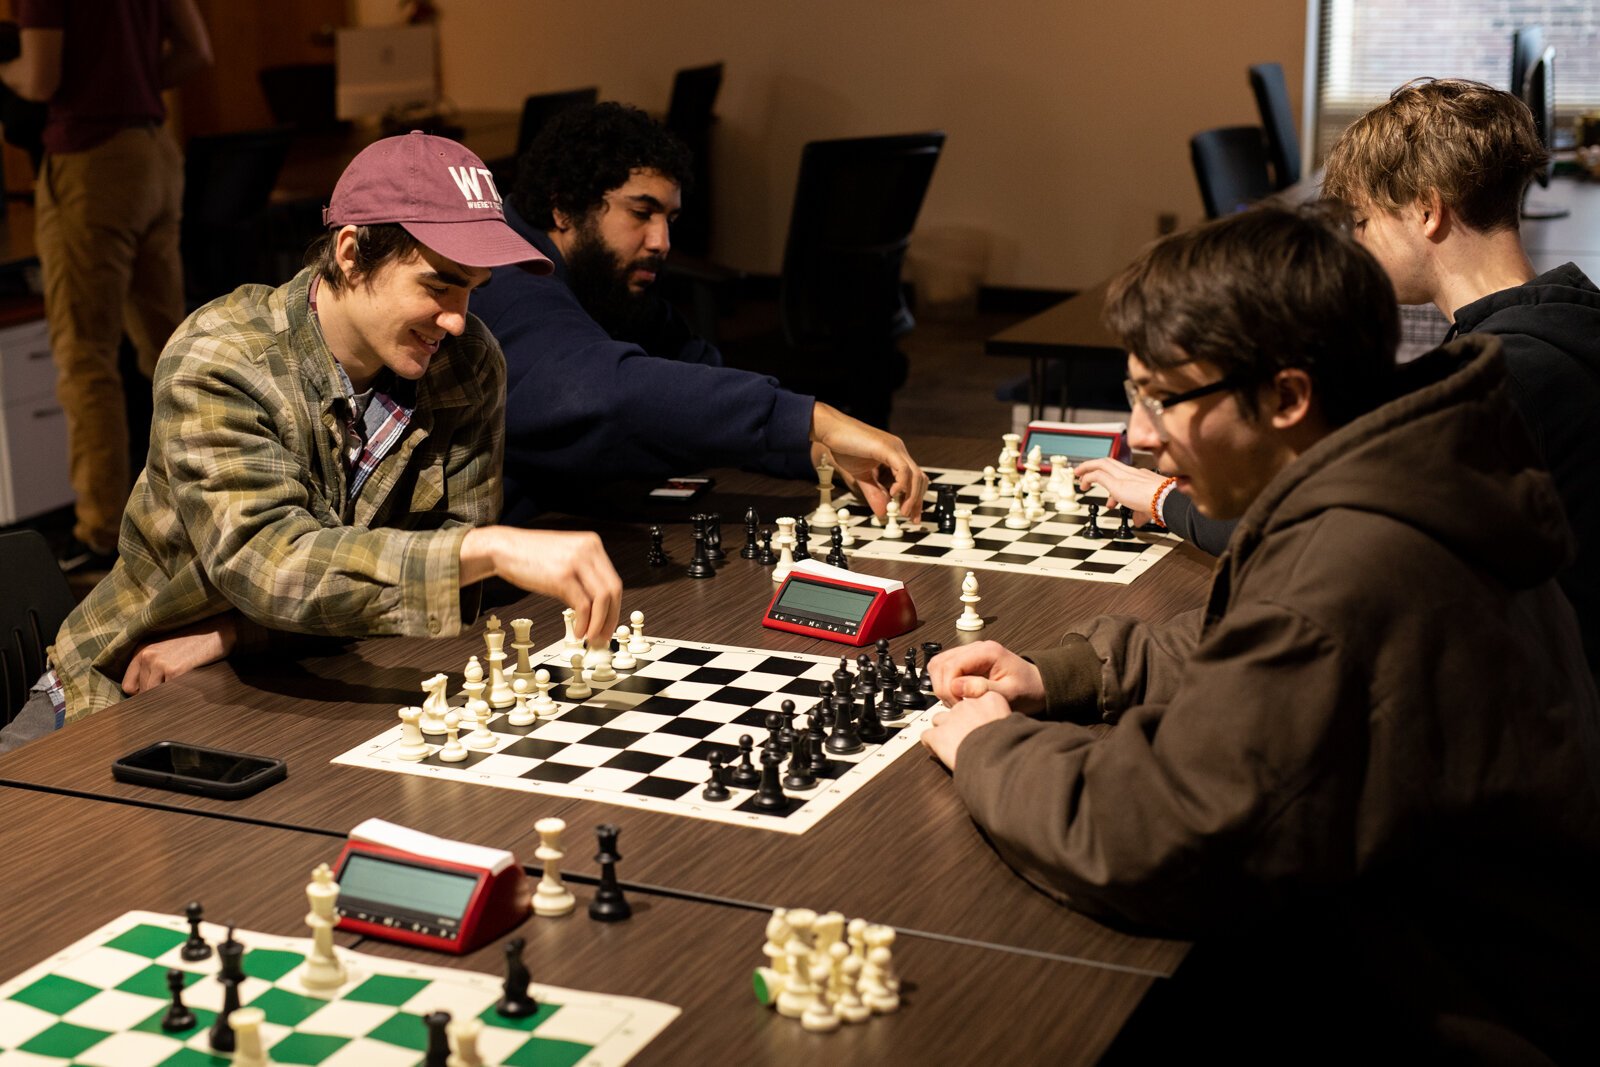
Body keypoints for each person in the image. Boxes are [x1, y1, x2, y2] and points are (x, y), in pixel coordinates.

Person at [922, 204, 1600, 1060]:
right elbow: (1254, 647)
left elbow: (1151, 837)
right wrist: (1063, 672)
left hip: (1456, 1012)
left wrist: (992, 746)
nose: (1139, 436)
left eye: (1164, 398)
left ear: (1287, 396)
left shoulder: (1351, 568)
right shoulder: (1406, 468)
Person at [0, 132, 622, 755]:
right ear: (351, 255)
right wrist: (488, 546)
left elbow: (444, 598)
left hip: (275, 677)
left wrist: (231, 636)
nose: (458, 318)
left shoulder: (467, 362)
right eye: (438, 286)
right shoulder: (222, 359)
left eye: (472, 288)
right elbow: (270, 565)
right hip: (111, 691)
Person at [1075, 80, 1600, 682]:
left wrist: (1168, 498)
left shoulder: (1502, 383)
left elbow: (1323, 538)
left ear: (1428, 212)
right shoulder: (1568, 319)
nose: (1352, 244)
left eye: (1360, 220)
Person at [468, 102, 927, 525]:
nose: (662, 242)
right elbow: (606, 392)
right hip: (486, 587)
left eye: (669, 219)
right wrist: (816, 419)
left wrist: (817, 453)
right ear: (564, 207)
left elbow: (697, 394)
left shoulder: (600, 281)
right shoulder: (503, 278)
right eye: (642, 212)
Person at [0, 0, 212, 572]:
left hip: (90, 161)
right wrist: (134, 83)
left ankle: (99, 534)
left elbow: (40, 77)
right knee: (172, 354)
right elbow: (197, 50)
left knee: (86, 357)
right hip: (155, 154)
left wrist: (5, 68)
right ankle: (206, 507)